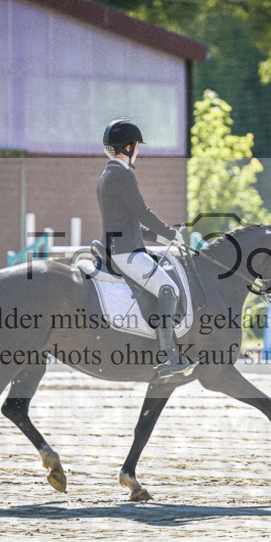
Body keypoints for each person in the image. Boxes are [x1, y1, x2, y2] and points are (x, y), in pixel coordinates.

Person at [96, 118, 190, 380]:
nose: (138, 151)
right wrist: (171, 233)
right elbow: (143, 212)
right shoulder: (124, 175)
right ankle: (167, 356)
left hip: (120, 247)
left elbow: (128, 221)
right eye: (137, 146)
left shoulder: (107, 175)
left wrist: (160, 239)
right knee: (168, 289)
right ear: (128, 146)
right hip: (127, 254)